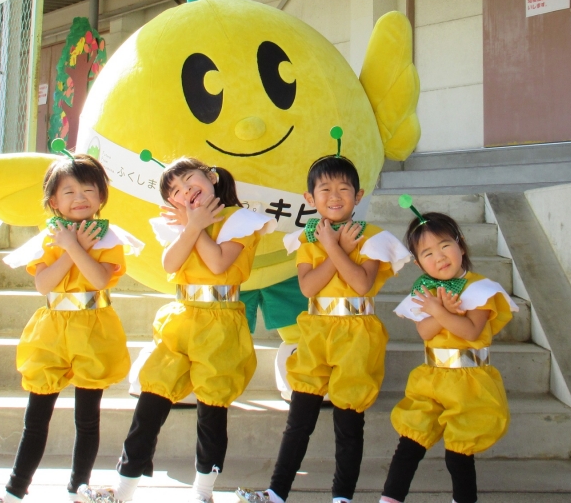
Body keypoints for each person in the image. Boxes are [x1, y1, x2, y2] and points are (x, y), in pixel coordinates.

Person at [82, 158, 275, 503]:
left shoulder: (241, 220)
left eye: (189, 181)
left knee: (212, 406)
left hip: (220, 321)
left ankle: (203, 492)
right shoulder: (180, 224)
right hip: (182, 316)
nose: (185, 191)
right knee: (151, 398)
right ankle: (123, 489)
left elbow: (218, 263)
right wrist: (190, 226)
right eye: (175, 191)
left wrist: (195, 225)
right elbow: (170, 264)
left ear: (211, 176)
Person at [235, 154, 409, 503]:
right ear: (310, 198)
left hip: (357, 333)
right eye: (325, 189)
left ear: (358, 196)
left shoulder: (371, 237)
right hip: (316, 331)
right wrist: (333, 247)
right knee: (299, 419)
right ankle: (276, 492)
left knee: (349, 422)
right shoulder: (307, 239)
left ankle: (342, 497)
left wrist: (333, 247)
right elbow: (308, 287)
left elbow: (361, 284)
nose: (334, 196)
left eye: (344, 188)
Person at [0, 151, 141, 503]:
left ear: (101, 196)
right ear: (53, 201)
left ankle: (77, 488)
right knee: (36, 418)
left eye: (88, 190)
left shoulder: (109, 237)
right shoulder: (48, 238)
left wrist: (77, 247)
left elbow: (99, 279)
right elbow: (44, 284)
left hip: (93, 327)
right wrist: (70, 247)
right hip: (52, 330)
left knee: (87, 418)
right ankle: (14, 491)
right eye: (69, 191)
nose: (80, 198)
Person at [378, 211, 516, 503]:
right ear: (419, 263)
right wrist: (439, 310)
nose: (439, 257)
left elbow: (470, 331)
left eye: (444, 246)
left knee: (459, 451)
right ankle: (390, 498)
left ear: (460, 245)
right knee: (410, 442)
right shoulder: (425, 293)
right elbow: (425, 331)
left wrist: (441, 311)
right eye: (427, 253)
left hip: (469, 382)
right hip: (433, 377)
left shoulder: (481, 289)